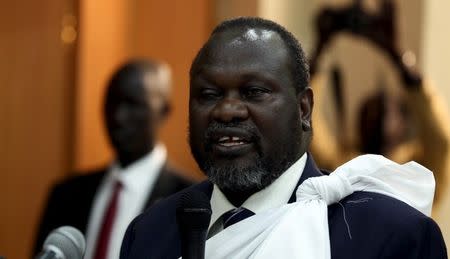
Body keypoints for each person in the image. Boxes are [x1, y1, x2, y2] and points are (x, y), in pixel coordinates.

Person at [119, 17, 447, 259]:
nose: (227, 111)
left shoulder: (392, 236)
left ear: (304, 110)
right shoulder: (150, 233)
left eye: (254, 91)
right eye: (209, 93)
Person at [33, 60, 193, 259]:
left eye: (133, 104)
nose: (119, 116)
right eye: (112, 102)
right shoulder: (65, 195)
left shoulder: (191, 201)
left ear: (164, 111)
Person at [308, 0, 450, 204]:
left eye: (384, 110)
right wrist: (320, 48)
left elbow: (440, 140)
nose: (376, 115)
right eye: (368, 110)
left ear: (404, 124)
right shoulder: (341, 164)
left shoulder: (417, 172)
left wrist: (397, 56)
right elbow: (307, 125)